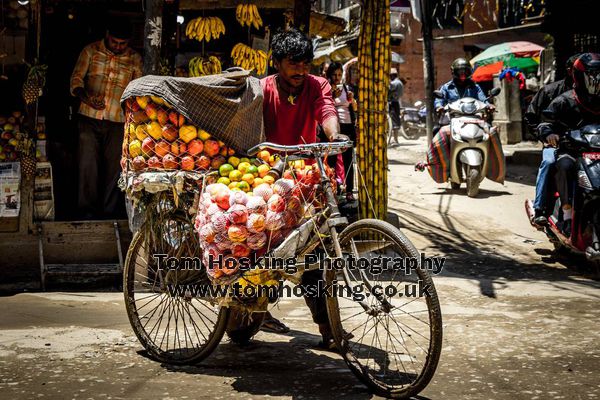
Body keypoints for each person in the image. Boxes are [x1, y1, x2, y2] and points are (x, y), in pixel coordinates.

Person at [260, 28, 347, 348]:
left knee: (314, 253)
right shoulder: (262, 89)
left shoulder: (316, 85)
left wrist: (333, 136)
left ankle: (328, 329)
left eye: (305, 64)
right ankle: (255, 309)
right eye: (293, 64)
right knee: (262, 248)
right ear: (277, 63)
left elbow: (326, 111)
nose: (300, 70)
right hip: (266, 179)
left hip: (306, 178)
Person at [70, 19, 143, 220]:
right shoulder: (90, 51)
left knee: (114, 168)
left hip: (119, 121)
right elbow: (76, 80)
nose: (118, 46)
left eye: (123, 43)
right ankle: (87, 212)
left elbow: (138, 89)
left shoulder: (135, 59)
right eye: (115, 42)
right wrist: (86, 97)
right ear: (107, 36)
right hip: (89, 118)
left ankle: (110, 212)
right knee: (87, 165)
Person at [538, 53, 600, 237]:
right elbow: (545, 121)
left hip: (597, 151)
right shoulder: (564, 100)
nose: (596, 81)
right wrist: (549, 134)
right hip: (572, 150)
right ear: (580, 76)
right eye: (592, 76)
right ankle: (566, 214)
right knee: (564, 166)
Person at [524, 54, 579, 226]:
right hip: (557, 144)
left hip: (584, 145)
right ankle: (540, 209)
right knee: (548, 162)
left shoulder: (592, 95)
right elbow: (531, 117)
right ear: (570, 71)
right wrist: (546, 135)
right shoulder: (549, 91)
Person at [326, 62, 358, 201]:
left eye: (339, 74)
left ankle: (349, 190)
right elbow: (325, 107)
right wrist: (332, 96)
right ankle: (334, 189)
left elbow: (353, 107)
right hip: (334, 128)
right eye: (334, 74)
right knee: (332, 160)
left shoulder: (346, 88)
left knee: (348, 159)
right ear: (329, 74)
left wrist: (352, 100)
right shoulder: (326, 89)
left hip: (348, 126)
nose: (337, 77)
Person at [388, 68, 403, 144]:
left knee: (394, 121)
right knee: (395, 120)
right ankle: (395, 139)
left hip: (393, 103)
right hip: (396, 103)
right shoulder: (399, 82)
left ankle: (395, 139)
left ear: (392, 75)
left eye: (390, 76)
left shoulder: (395, 83)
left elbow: (389, 90)